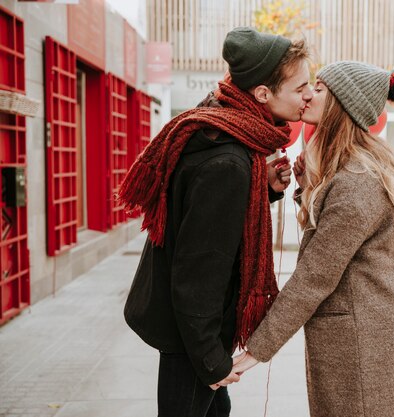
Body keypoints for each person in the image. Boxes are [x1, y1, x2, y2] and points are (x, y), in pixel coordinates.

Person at [118, 27, 312, 417]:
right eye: (300, 88)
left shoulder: (223, 128)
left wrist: (266, 187)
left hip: (191, 331)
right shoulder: (227, 161)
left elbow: (214, 222)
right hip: (191, 338)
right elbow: (199, 270)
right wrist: (210, 360)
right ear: (262, 94)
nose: (308, 95)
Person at [232, 61, 394, 417]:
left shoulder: (357, 181)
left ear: (340, 104)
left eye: (319, 88)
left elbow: (315, 275)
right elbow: (338, 234)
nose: (308, 94)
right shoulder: (352, 166)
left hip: (361, 337)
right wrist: (306, 189)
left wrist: (256, 350)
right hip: (365, 325)